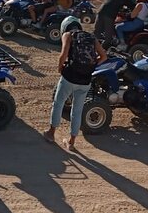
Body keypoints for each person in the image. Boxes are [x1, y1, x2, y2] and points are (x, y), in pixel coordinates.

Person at [43, 16, 107, 151]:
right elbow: (104, 56)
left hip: (70, 77)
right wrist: (92, 66)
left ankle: (51, 134)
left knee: (58, 103)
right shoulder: (91, 37)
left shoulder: (68, 35)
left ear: (64, 27)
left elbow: (63, 55)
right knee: (77, 110)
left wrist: (60, 68)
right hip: (85, 80)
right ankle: (71, 142)